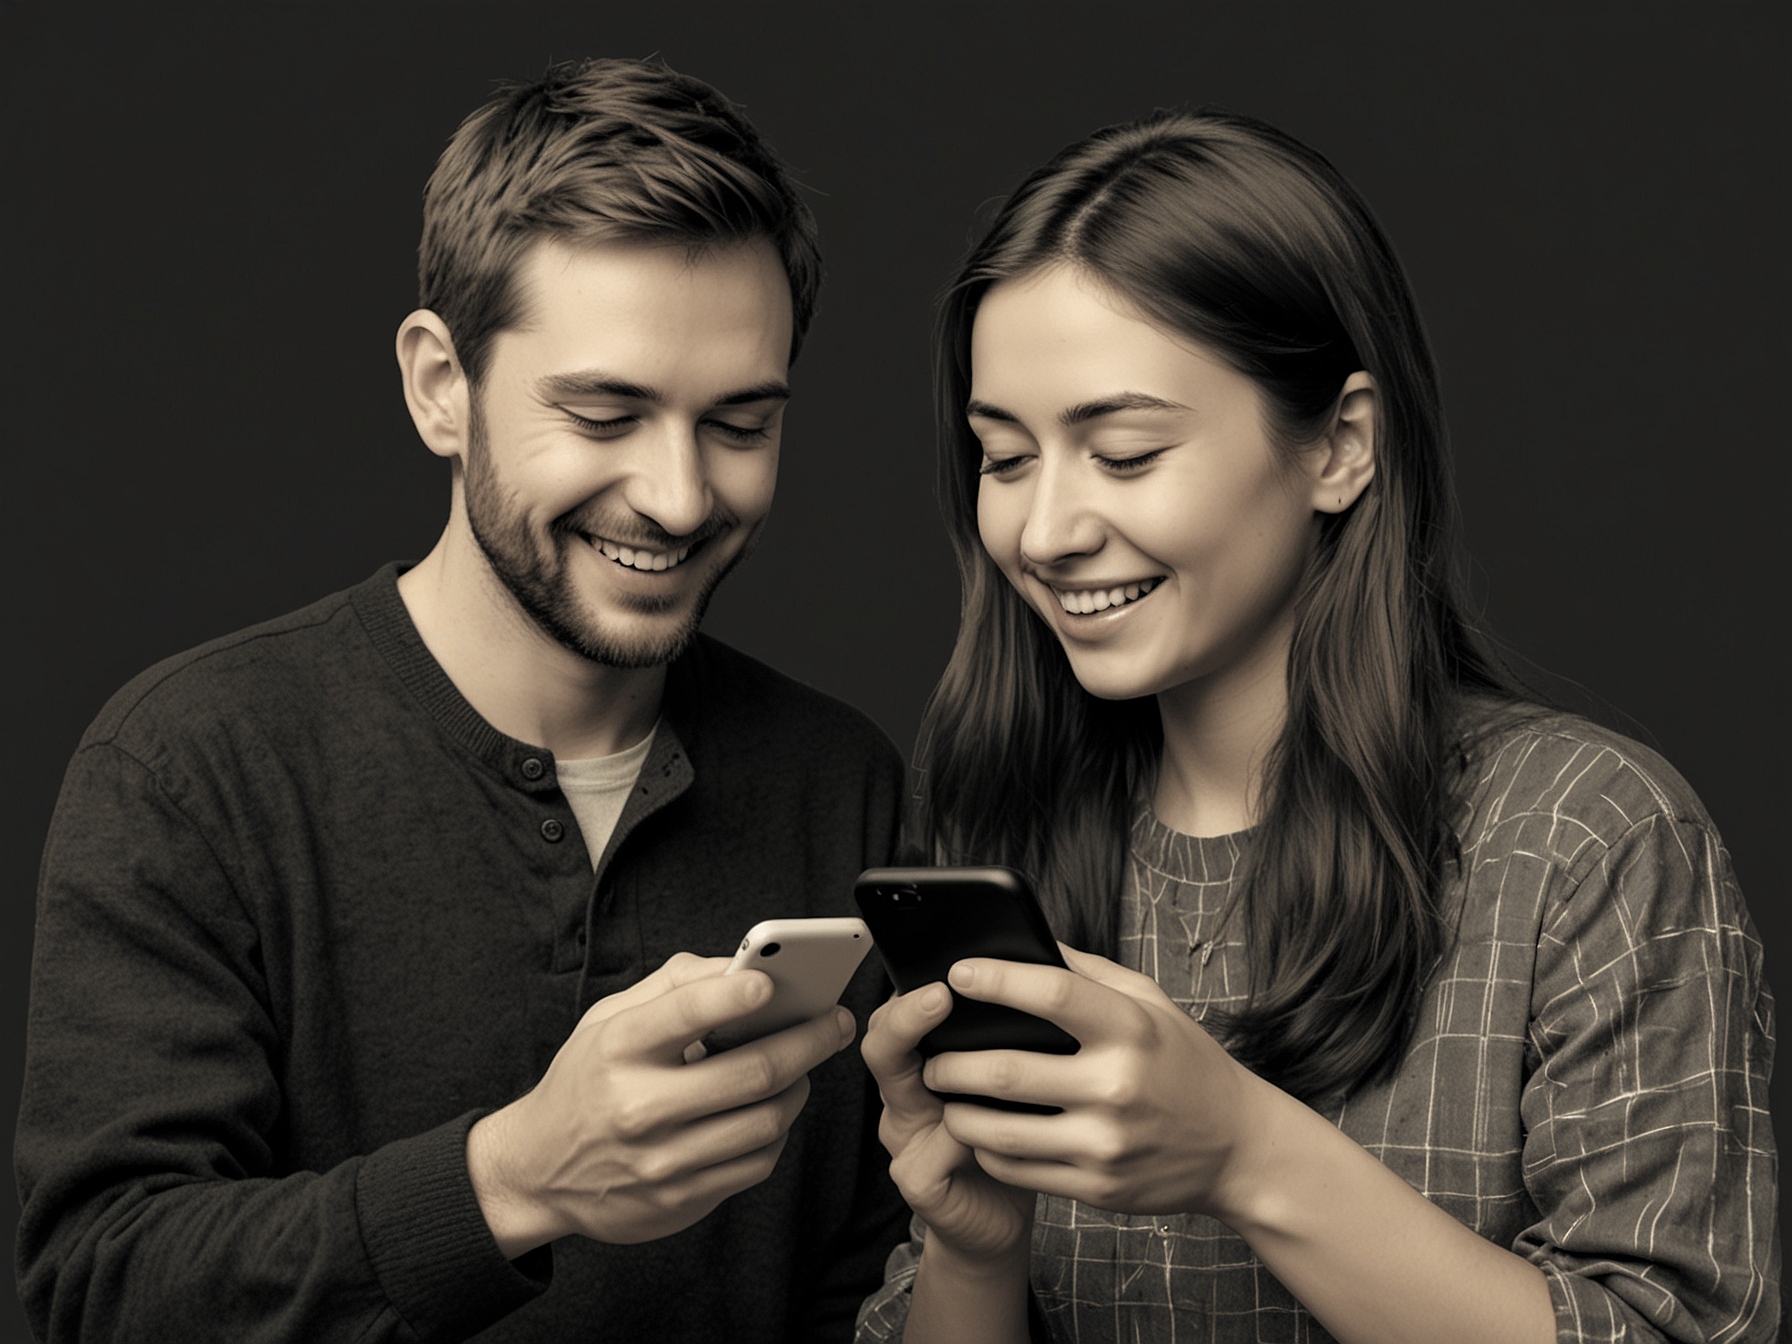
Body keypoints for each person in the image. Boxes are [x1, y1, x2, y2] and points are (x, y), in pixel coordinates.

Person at [16, 57, 909, 1343]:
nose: (677, 494)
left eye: (739, 423)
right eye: (603, 410)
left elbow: (858, 1290)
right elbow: (100, 1291)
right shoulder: (190, 766)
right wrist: (512, 1182)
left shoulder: (842, 785)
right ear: (441, 384)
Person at [855, 109, 1778, 1343]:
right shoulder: (998, 831)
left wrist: (1246, 1154)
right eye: (1003, 456)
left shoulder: (1580, 839)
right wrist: (974, 1251)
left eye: (1124, 453)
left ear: (1339, 446)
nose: (1043, 529)